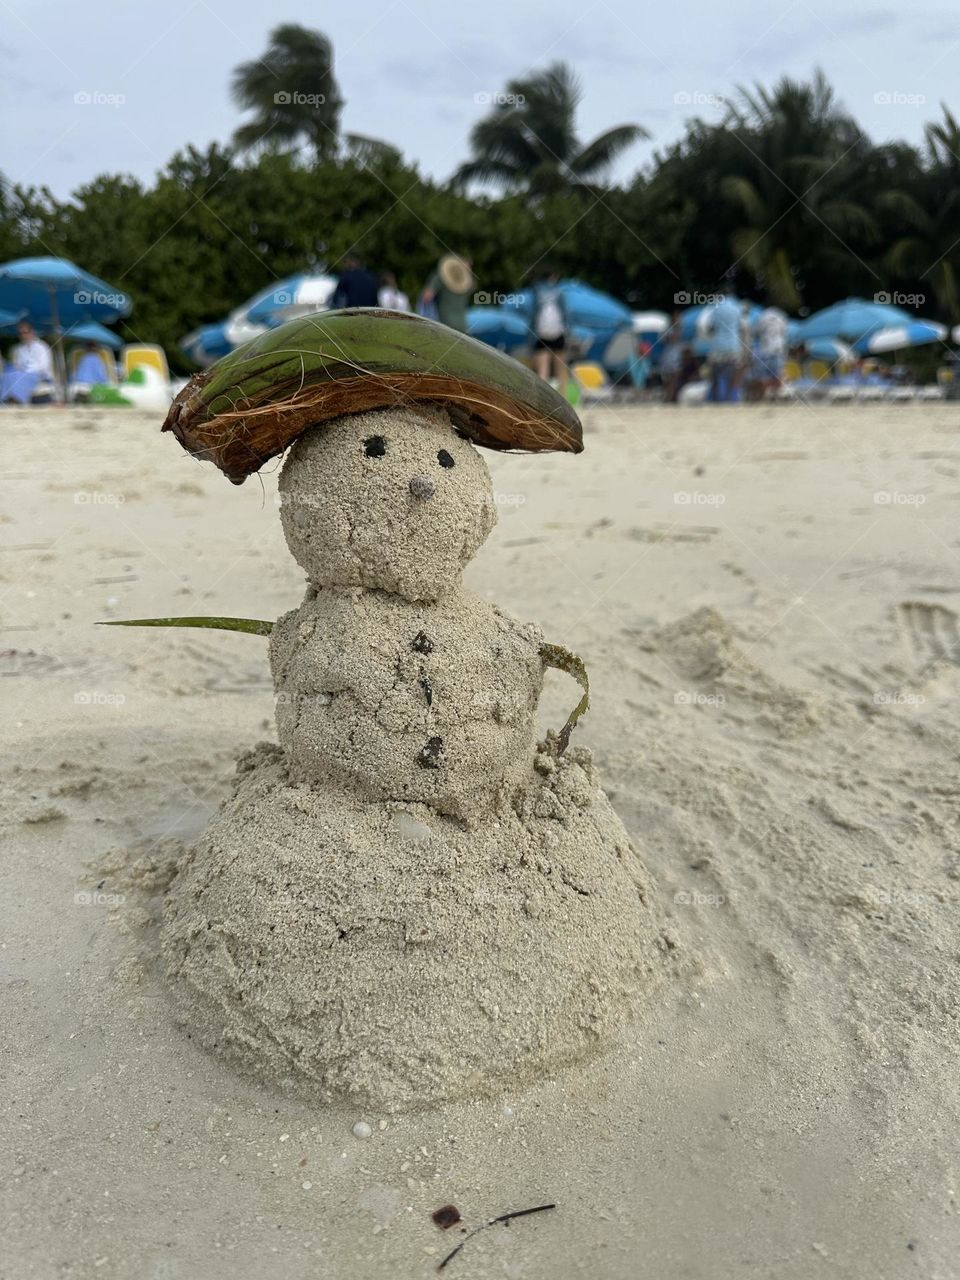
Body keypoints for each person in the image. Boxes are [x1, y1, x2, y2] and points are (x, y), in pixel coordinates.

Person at [530, 267, 569, 396]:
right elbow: (565, 313)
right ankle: (564, 399)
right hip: (558, 331)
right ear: (554, 276)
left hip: (540, 331)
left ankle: (543, 400)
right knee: (561, 370)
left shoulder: (535, 290)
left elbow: (532, 313)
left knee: (542, 371)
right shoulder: (560, 291)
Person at [1, 320, 54, 405]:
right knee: (7, 376)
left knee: (13, 377)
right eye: (20, 333)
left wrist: (25, 370)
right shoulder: (18, 349)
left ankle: (18, 400)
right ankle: (7, 401)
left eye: (25, 332)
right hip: (21, 375)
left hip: (40, 376)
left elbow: (43, 366)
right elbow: (17, 365)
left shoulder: (42, 347)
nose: (23, 335)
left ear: (32, 332)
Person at [421, 253, 475, 333]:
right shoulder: (468, 284)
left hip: (444, 326)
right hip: (462, 326)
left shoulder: (439, 277)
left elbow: (427, 297)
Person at [706, 295, 742, 403]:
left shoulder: (716, 308)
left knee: (715, 375)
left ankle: (716, 399)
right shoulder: (737, 307)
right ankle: (732, 397)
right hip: (733, 346)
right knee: (733, 374)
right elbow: (741, 327)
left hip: (717, 346)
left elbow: (710, 328)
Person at [749, 305, 789, 400]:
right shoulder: (781, 316)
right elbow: (784, 333)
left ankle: (764, 397)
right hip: (779, 349)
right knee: (778, 375)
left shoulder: (762, 317)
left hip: (765, 349)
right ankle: (776, 396)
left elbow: (756, 333)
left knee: (763, 376)